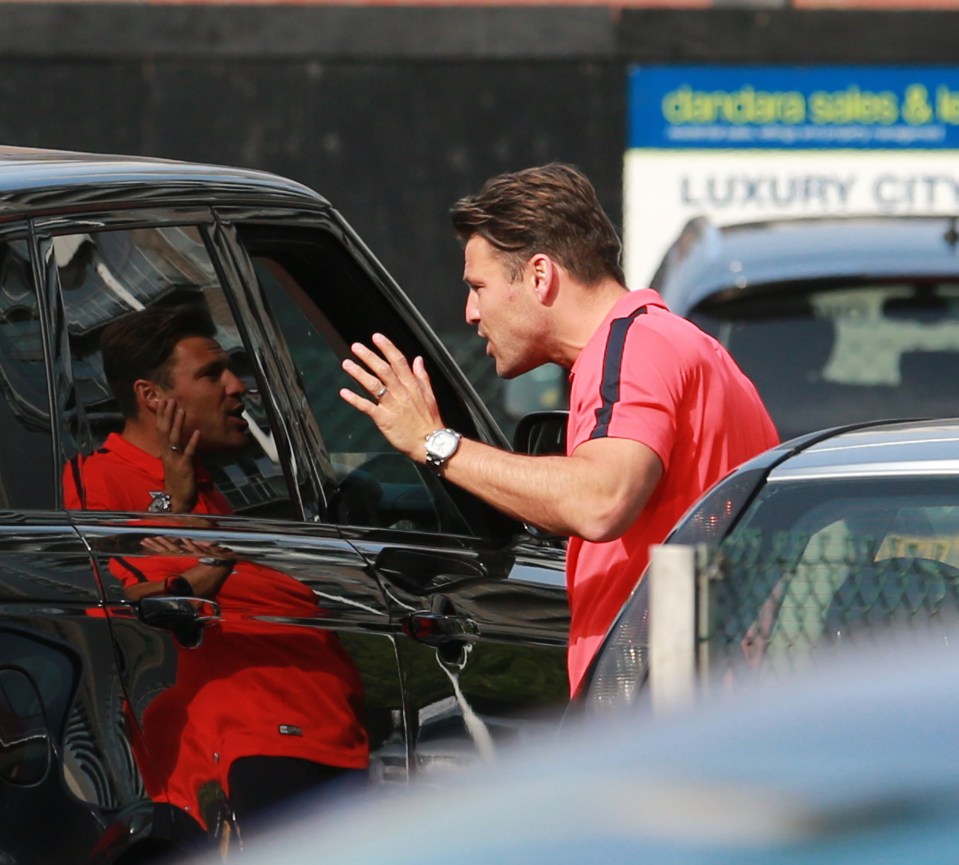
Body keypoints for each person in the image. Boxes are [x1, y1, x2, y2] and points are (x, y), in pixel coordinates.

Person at [339, 163, 779, 696]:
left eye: (479, 286)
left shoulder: (633, 347)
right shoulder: (676, 345)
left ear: (540, 276)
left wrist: (435, 443)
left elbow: (599, 501)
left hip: (667, 711)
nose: (471, 312)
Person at [63, 303, 369, 836]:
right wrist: (181, 520)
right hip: (249, 749)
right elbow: (127, 599)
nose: (238, 387)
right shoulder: (97, 477)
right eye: (211, 373)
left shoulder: (211, 491)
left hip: (331, 736)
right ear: (151, 396)